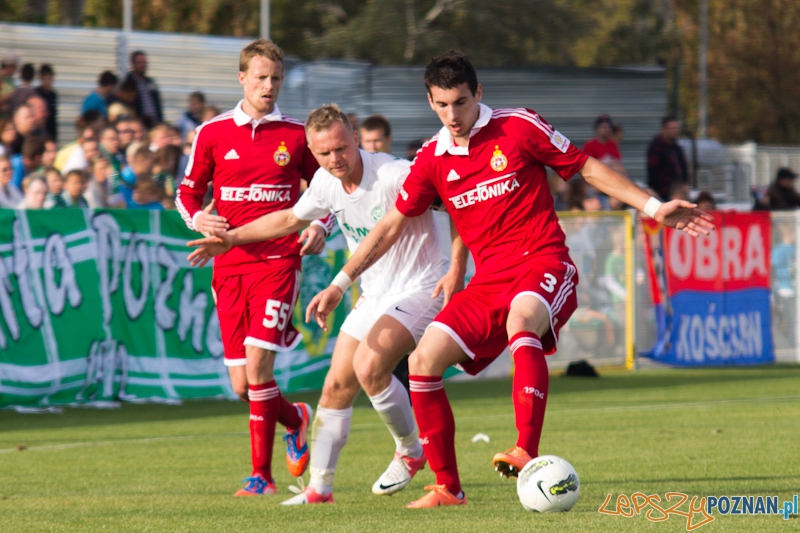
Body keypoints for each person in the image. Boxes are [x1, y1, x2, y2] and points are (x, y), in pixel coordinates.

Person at [305, 51, 715, 508]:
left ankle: (526, 448)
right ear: (429, 101)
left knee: (522, 319)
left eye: (460, 102)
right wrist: (341, 282)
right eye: (441, 105)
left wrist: (655, 208)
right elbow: (389, 227)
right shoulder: (431, 159)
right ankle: (447, 487)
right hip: (488, 281)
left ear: (478, 93)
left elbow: (586, 168)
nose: (452, 115)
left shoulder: (518, 126)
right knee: (423, 362)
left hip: (543, 261)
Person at [187, 103, 467, 505]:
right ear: (312, 152)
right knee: (335, 386)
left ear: (355, 138)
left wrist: (456, 270)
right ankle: (319, 489)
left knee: (370, 367)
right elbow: (287, 220)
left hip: (423, 287)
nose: (335, 159)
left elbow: (459, 203)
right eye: (324, 153)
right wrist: (231, 239)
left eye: (341, 148)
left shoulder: (392, 174)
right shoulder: (325, 183)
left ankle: (411, 451)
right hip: (376, 293)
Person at [175, 38, 331, 497]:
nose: (269, 86)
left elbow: (325, 186)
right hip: (229, 265)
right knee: (243, 384)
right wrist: (198, 216)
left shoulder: (297, 133)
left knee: (260, 368)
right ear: (241, 78)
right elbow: (187, 192)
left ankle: (260, 477)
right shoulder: (212, 132)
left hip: (279, 261)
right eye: (261, 77)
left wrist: (320, 224)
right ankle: (296, 417)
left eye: (276, 78)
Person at [647, 116, 688, 201]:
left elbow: (683, 168)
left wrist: (685, 184)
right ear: (663, 129)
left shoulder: (676, 148)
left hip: (678, 191)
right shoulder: (656, 148)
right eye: (672, 128)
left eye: (677, 128)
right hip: (663, 194)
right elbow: (653, 173)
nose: (676, 131)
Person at [123, 51, 163, 127]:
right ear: (133, 64)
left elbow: (157, 104)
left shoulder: (150, 82)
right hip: (139, 124)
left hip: (154, 123)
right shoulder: (128, 82)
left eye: (144, 62)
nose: (143, 65)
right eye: (139, 62)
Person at [35, 64, 57, 139]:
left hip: (51, 132)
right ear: (41, 79)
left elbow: (54, 116)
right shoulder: (36, 94)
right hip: (39, 132)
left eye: (50, 79)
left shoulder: (53, 95)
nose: (48, 82)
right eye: (45, 79)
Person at [0, 52, 18, 118]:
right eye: (15, 66)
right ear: (9, 66)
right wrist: (12, 95)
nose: (15, 69)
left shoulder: (10, 79)